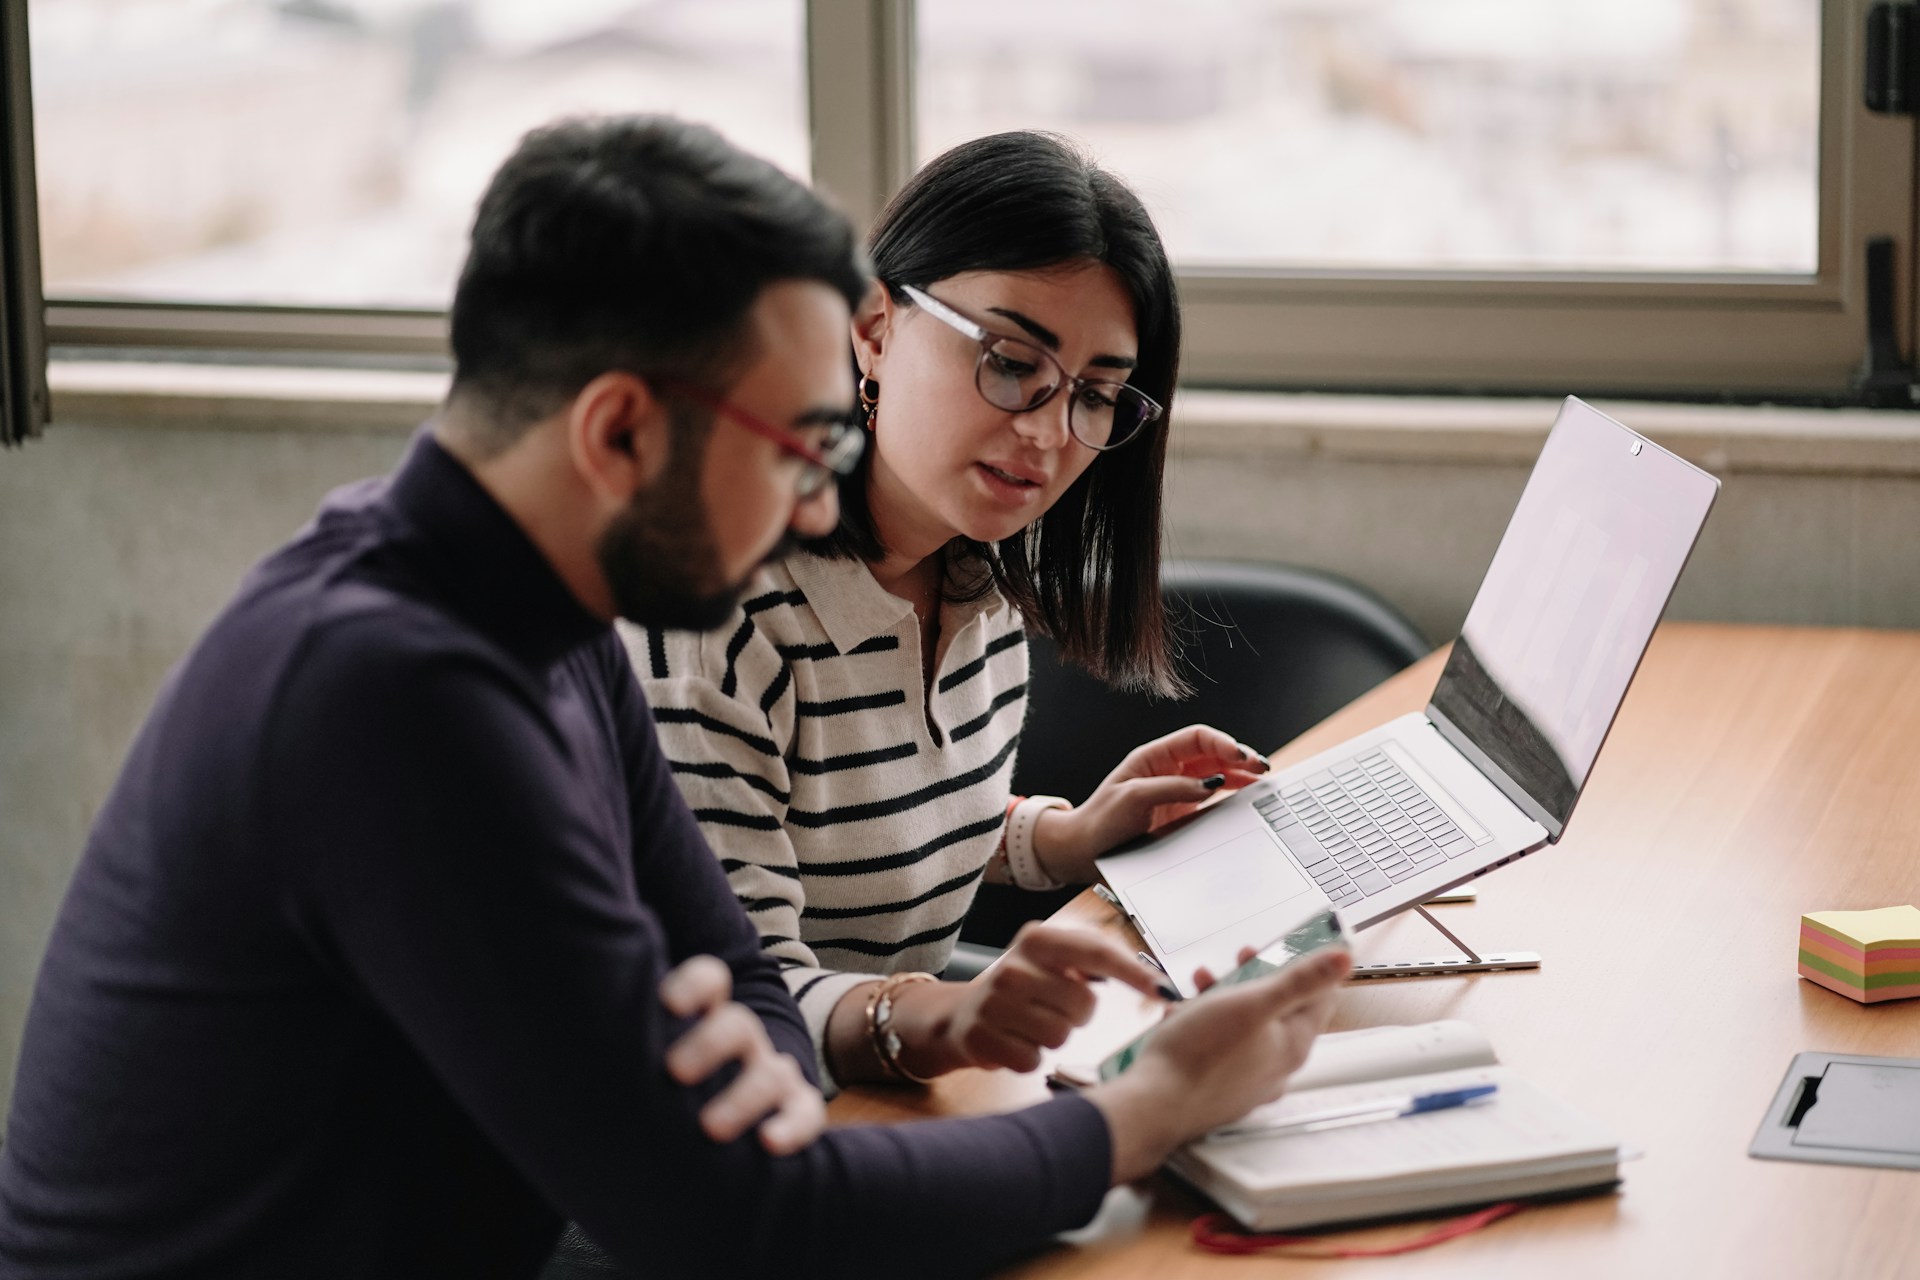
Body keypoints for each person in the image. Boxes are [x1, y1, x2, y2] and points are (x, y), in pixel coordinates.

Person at [0, 116, 1349, 1280]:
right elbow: (744, 1220)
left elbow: (748, 990)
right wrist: (1148, 1109)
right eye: (805, 444)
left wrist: (744, 1076)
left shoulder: (545, 622)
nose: (823, 500)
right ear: (621, 431)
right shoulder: (393, 698)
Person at [633, 130, 1269, 1090]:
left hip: (877, 1102)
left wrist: (1067, 838)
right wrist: (952, 1016)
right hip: (698, 1156)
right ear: (874, 328)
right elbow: (738, 1001)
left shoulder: (972, 580)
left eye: (1096, 395)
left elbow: (873, 830)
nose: (1051, 434)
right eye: (1012, 361)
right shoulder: (714, 616)